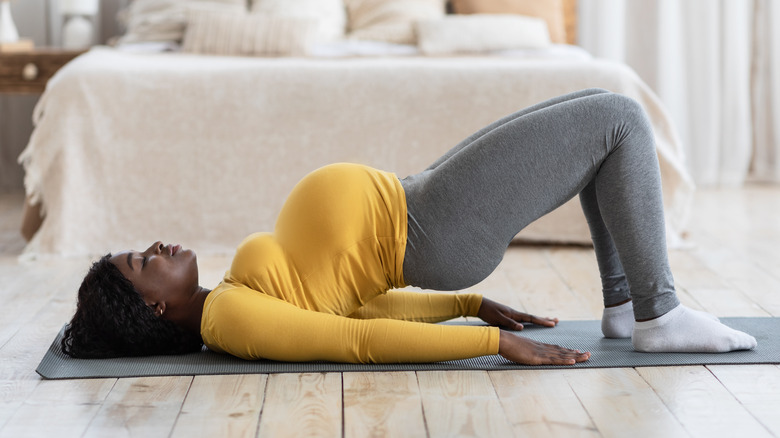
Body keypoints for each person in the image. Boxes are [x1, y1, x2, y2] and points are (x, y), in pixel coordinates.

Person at [61, 89, 757, 365]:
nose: (156, 248)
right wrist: (489, 345)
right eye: (142, 262)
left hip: (423, 199)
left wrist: (467, 305)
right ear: (154, 306)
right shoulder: (230, 320)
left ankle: (624, 307)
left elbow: (358, 300)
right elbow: (354, 338)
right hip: (430, 224)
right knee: (620, 120)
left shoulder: (235, 292)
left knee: (601, 125)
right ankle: (657, 313)